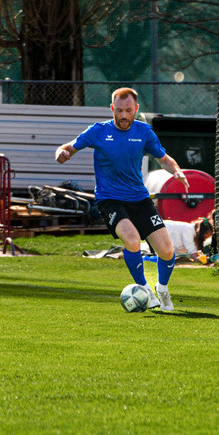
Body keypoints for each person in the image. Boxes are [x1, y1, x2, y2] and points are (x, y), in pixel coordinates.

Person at [55, 87, 189, 311]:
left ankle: (162, 289)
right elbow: (68, 147)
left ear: (136, 109)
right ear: (112, 108)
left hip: (139, 198)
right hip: (110, 199)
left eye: (128, 110)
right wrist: (62, 153)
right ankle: (144, 289)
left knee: (167, 251)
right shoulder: (98, 131)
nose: (124, 115)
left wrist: (177, 171)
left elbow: (164, 158)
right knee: (132, 240)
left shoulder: (144, 132)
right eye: (119, 111)